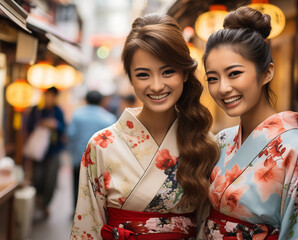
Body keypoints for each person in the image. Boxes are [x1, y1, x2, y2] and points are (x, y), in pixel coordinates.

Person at [71, 13, 219, 240]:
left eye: (168, 71)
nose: (157, 86)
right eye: (143, 75)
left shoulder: (205, 144)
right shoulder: (102, 146)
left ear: (185, 73)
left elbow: (207, 227)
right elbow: (87, 228)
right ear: (130, 78)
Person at [202, 6, 298, 240]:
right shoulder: (221, 141)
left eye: (234, 73)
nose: (223, 88)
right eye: (212, 78)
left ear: (267, 73)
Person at [67, 90, 117, 214]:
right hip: (99, 160)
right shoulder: (108, 118)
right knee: (97, 187)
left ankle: (76, 209)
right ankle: (93, 212)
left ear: (86, 100)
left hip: (78, 157)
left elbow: (70, 134)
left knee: (77, 184)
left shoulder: (77, 115)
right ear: (101, 101)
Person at [25, 86, 66, 219]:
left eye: (52, 96)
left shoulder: (58, 111)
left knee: (51, 180)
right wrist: (42, 123)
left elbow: (64, 128)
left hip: (54, 151)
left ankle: (45, 205)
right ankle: (37, 200)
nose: (49, 98)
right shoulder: (37, 110)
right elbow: (29, 126)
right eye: (47, 95)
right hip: (38, 151)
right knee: (37, 177)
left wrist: (55, 125)